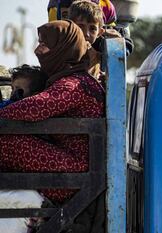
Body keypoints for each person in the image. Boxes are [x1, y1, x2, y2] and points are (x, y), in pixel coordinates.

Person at [0, 20, 105, 204]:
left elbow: (36, 107)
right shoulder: (70, 79)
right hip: (70, 168)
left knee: (4, 141)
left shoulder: (75, 84)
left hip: (74, 175)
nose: (37, 50)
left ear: (63, 48)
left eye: (44, 44)